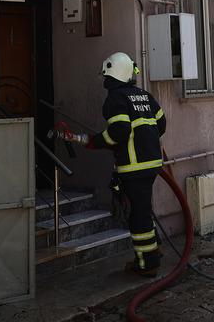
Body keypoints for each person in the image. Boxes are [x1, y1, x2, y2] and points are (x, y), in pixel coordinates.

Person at [60, 52, 166, 277]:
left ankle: (147, 263)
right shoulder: (144, 96)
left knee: (138, 214)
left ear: (113, 75)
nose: (104, 82)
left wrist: (95, 141)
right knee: (144, 208)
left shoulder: (116, 99)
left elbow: (118, 132)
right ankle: (154, 250)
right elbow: (162, 124)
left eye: (105, 77)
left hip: (133, 167)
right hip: (153, 163)